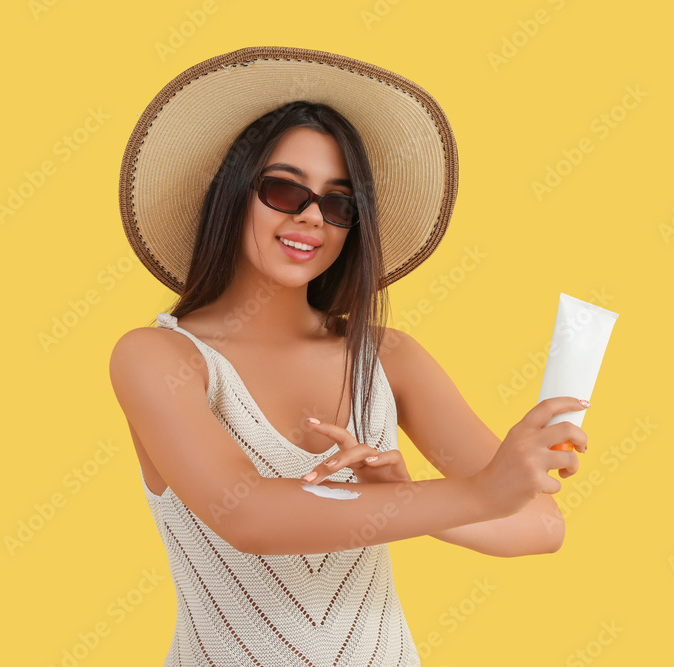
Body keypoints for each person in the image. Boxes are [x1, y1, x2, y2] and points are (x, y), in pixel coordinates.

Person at [110, 46, 588, 666]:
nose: (312, 217)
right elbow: (248, 514)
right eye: (285, 189)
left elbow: (540, 526)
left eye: (339, 203)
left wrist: (406, 495)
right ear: (230, 195)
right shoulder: (157, 357)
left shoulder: (388, 359)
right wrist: (472, 494)